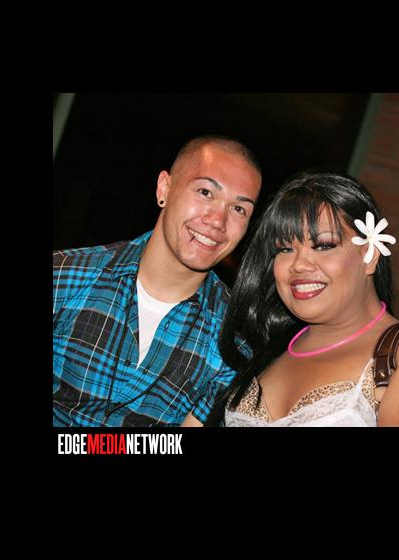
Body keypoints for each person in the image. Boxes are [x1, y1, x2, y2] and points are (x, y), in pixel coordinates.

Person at [205, 171, 399, 427]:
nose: (299, 264)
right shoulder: (259, 348)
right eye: (285, 249)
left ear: (370, 255)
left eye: (323, 245)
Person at [53, 135, 262, 427]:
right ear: (164, 188)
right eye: (205, 192)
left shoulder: (233, 341)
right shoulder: (65, 276)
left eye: (239, 209)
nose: (217, 220)